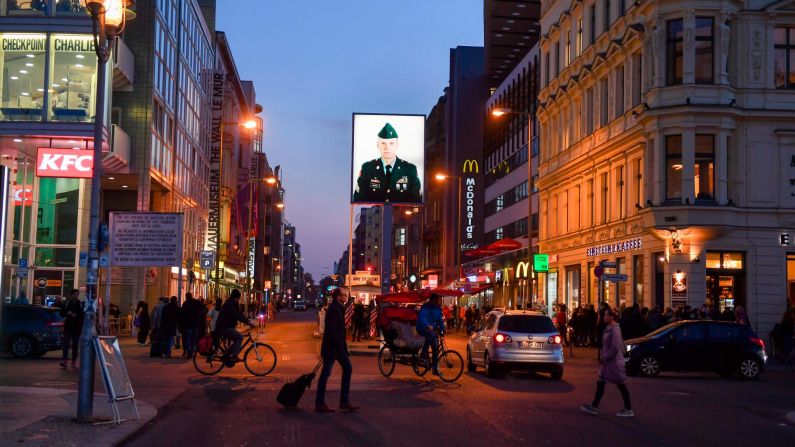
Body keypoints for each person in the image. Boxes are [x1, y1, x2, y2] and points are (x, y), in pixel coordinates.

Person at [581, 307, 633, 417]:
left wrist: (605, 357)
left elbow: (614, 347)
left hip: (613, 362)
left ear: (611, 317)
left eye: (606, 315)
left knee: (621, 384)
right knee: (601, 382)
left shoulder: (614, 329)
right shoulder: (609, 328)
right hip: (609, 362)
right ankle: (594, 406)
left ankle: (628, 409)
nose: (604, 317)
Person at [352, 122, 422, 203]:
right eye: (383, 143)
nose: (387, 147)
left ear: (397, 145)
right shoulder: (367, 168)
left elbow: (417, 200)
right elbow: (358, 199)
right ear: (378, 145)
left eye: (391, 143)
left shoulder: (409, 169)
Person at [316, 287, 359, 413]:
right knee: (326, 374)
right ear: (338, 297)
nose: (346, 297)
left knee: (346, 369)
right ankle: (321, 403)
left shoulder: (338, 308)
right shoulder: (334, 309)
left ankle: (343, 401)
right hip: (333, 348)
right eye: (344, 295)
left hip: (336, 347)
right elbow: (333, 330)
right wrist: (340, 347)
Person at [215, 289, 254, 363]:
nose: (239, 300)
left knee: (237, 340)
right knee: (240, 337)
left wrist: (248, 321)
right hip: (224, 327)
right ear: (235, 298)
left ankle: (227, 354)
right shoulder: (229, 304)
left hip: (226, 326)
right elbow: (237, 315)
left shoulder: (233, 304)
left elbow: (239, 314)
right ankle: (234, 356)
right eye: (238, 298)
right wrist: (248, 322)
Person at [416, 293, 446, 376]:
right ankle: (423, 353)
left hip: (432, 329)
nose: (438, 301)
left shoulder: (437, 308)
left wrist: (443, 328)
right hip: (422, 327)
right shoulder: (425, 307)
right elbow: (422, 317)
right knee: (431, 334)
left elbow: (439, 319)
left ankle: (435, 369)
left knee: (435, 348)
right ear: (433, 299)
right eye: (437, 299)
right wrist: (427, 325)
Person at [59, 289, 83, 369]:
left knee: (75, 345)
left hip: (77, 327)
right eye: (75, 294)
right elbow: (61, 313)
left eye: (77, 294)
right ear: (71, 295)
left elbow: (83, 315)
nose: (76, 296)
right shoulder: (67, 303)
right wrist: (67, 313)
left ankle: (74, 361)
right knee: (66, 344)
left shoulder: (80, 304)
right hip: (68, 326)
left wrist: (76, 315)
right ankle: (64, 360)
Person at [180, 292, 206, 358]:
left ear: (186, 297)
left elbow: (182, 315)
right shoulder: (197, 302)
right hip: (196, 324)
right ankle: (191, 351)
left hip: (188, 325)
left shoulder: (185, 304)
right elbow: (203, 308)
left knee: (188, 338)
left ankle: (189, 351)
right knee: (193, 339)